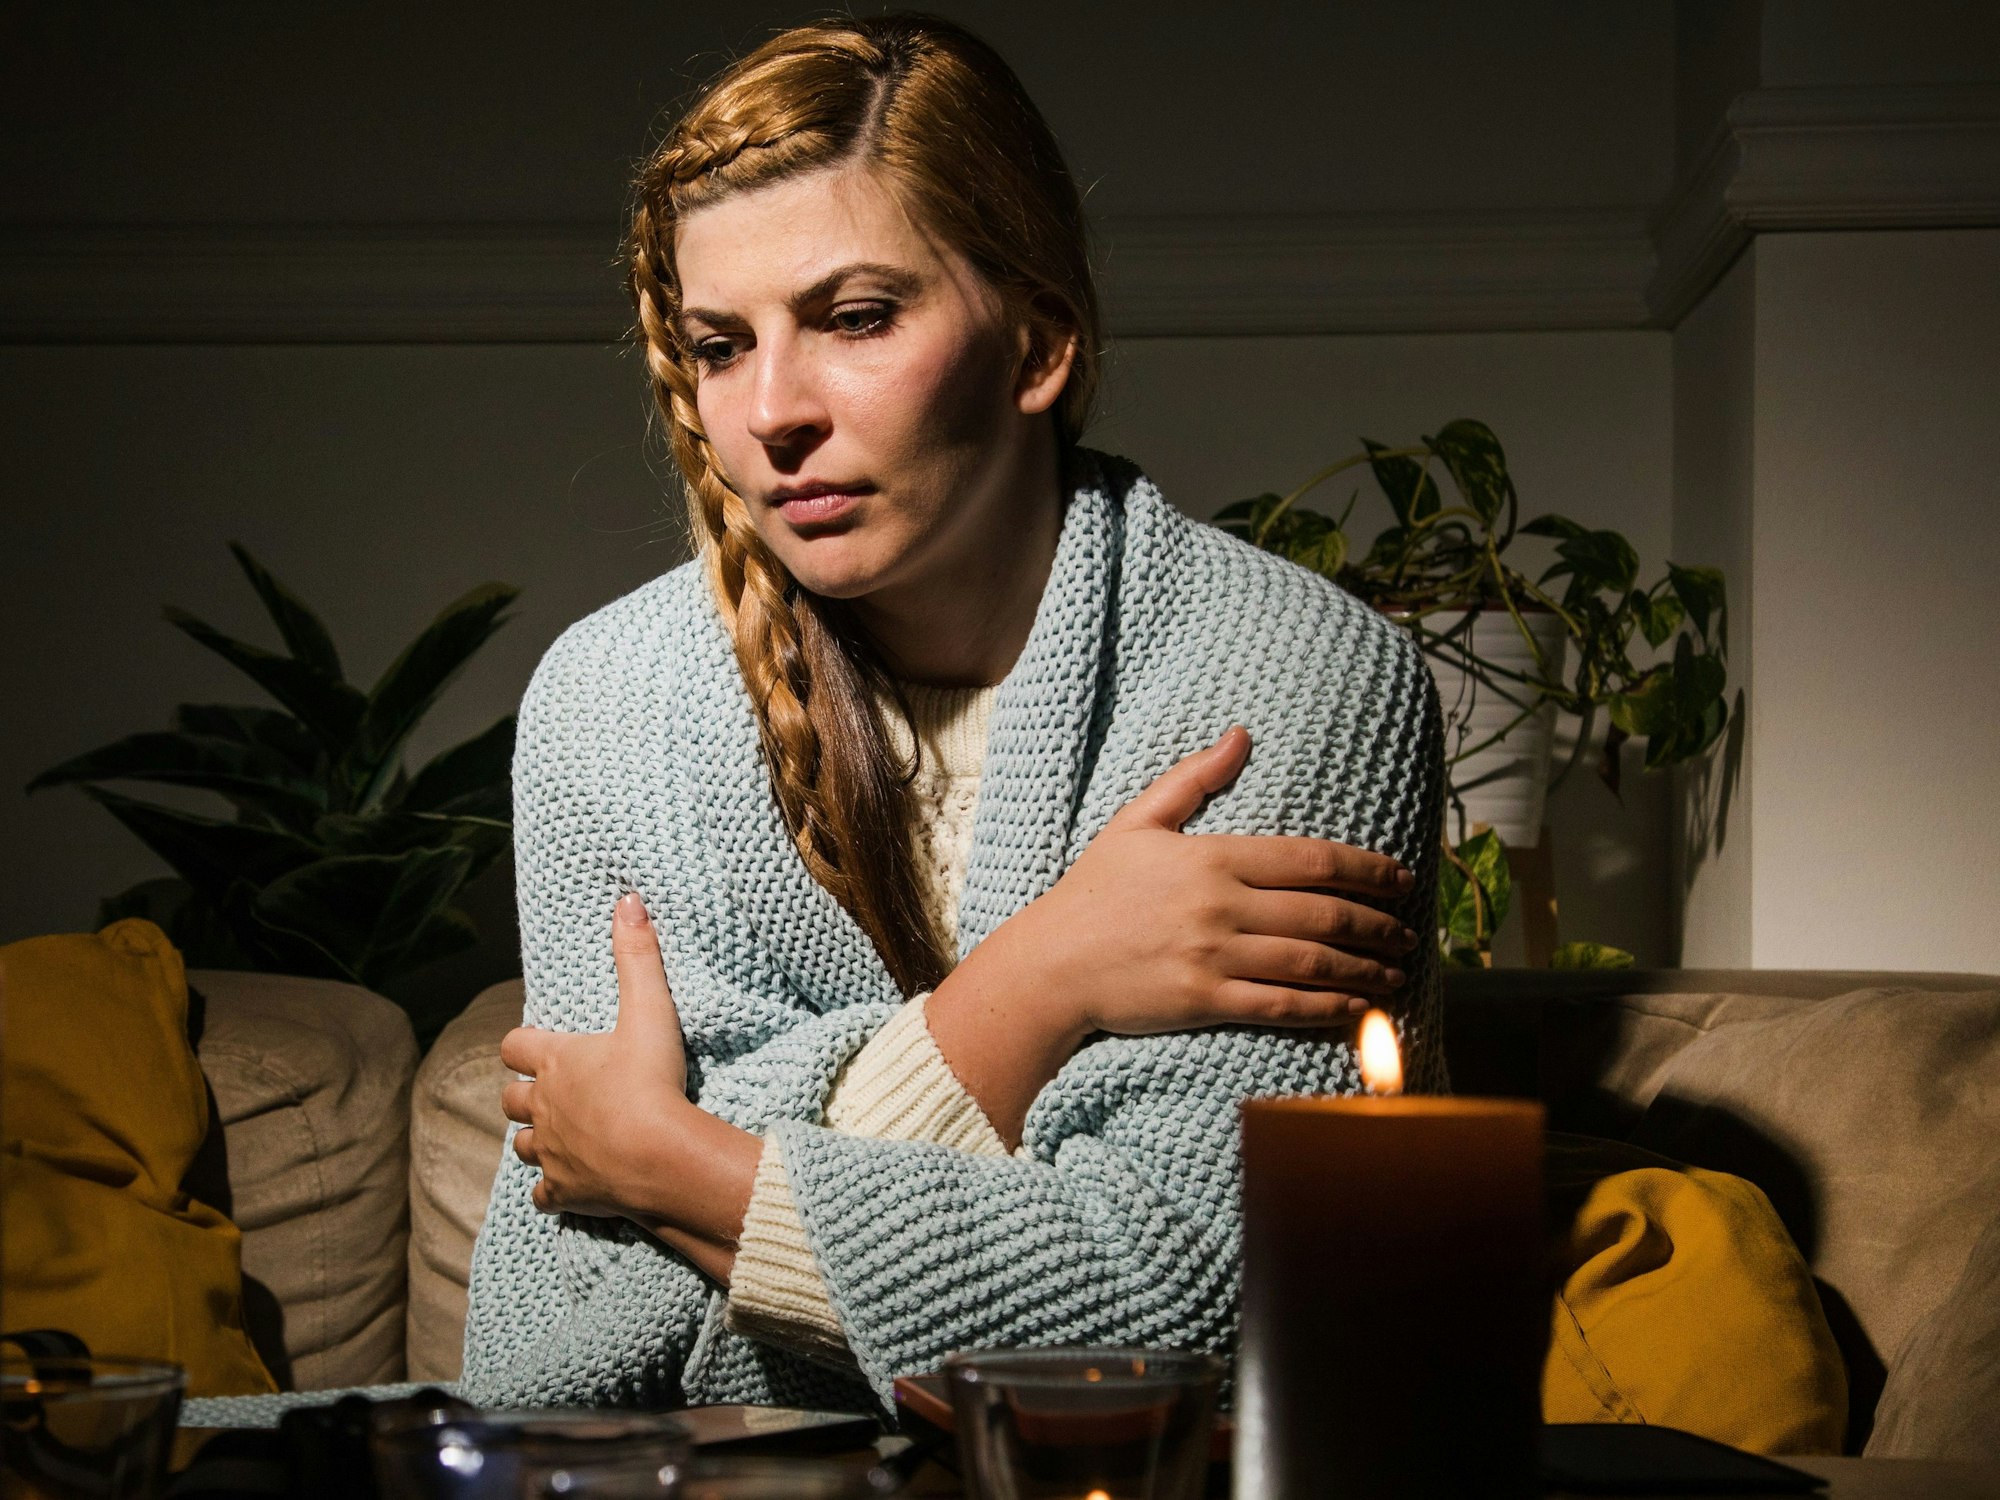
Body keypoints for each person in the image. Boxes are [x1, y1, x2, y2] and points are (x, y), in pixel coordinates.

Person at [462, 12, 1445, 1414]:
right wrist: (1042, 983)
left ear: (1039, 341)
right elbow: (565, 1341)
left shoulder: (1289, 674)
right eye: (721, 345)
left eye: (856, 319)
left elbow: (1188, 1307)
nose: (772, 413)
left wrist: (667, 1162)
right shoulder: (608, 699)